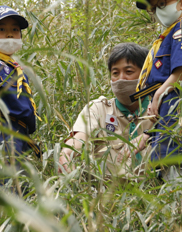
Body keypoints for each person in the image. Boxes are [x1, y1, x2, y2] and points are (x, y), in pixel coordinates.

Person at [131, 0, 182, 180]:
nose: (158, 11)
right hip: (166, 109)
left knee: (175, 166)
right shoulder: (166, 35)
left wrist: (158, 93)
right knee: (163, 167)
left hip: (177, 104)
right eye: (154, 8)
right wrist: (148, 133)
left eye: (162, 4)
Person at [58, 43, 153, 176]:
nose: (121, 79)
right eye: (115, 73)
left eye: (129, 72)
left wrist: (150, 134)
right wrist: (66, 153)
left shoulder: (161, 108)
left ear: (145, 74)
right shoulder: (98, 109)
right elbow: (80, 138)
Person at [0, 5, 41, 169]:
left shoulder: (13, 67)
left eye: (15, 29)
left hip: (18, 136)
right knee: (4, 189)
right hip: (0, 135)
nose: (10, 34)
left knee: (20, 189)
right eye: (1, 29)